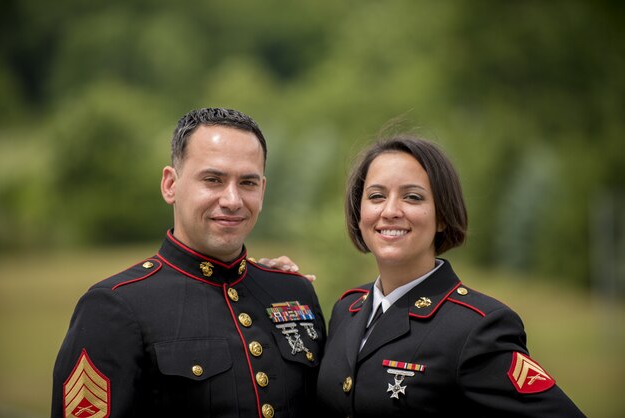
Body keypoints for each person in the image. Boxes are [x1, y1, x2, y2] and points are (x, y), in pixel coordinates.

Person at [51, 107, 326, 418]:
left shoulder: (293, 292)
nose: (232, 200)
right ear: (171, 185)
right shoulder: (114, 308)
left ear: (262, 189)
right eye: (213, 179)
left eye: (247, 183)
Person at [315, 135, 584, 417]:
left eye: (412, 197)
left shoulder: (477, 329)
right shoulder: (347, 309)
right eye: (376, 196)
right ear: (360, 213)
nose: (391, 210)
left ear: (442, 216)